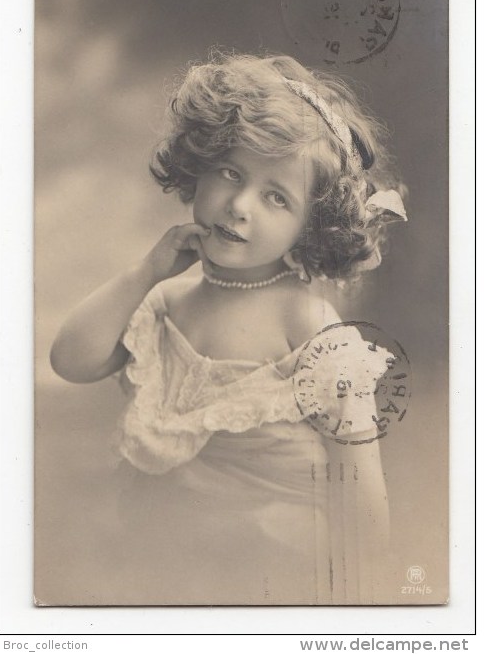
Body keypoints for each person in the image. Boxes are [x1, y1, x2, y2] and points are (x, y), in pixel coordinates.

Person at [50, 53, 407, 605]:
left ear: (308, 227)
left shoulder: (308, 325)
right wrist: (145, 272)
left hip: (272, 569)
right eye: (231, 173)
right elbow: (70, 362)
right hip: (160, 558)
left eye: (275, 197)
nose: (239, 205)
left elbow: (360, 486)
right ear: (201, 167)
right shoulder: (167, 300)